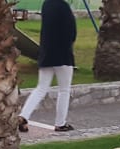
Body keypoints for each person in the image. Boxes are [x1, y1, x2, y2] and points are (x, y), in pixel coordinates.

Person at [18, 0, 78, 133]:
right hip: (63, 54)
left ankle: (24, 116)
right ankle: (60, 123)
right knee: (64, 90)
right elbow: (71, 31)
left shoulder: (47, 5)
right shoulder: (63, 6)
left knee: (41, 88)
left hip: (46, 53)